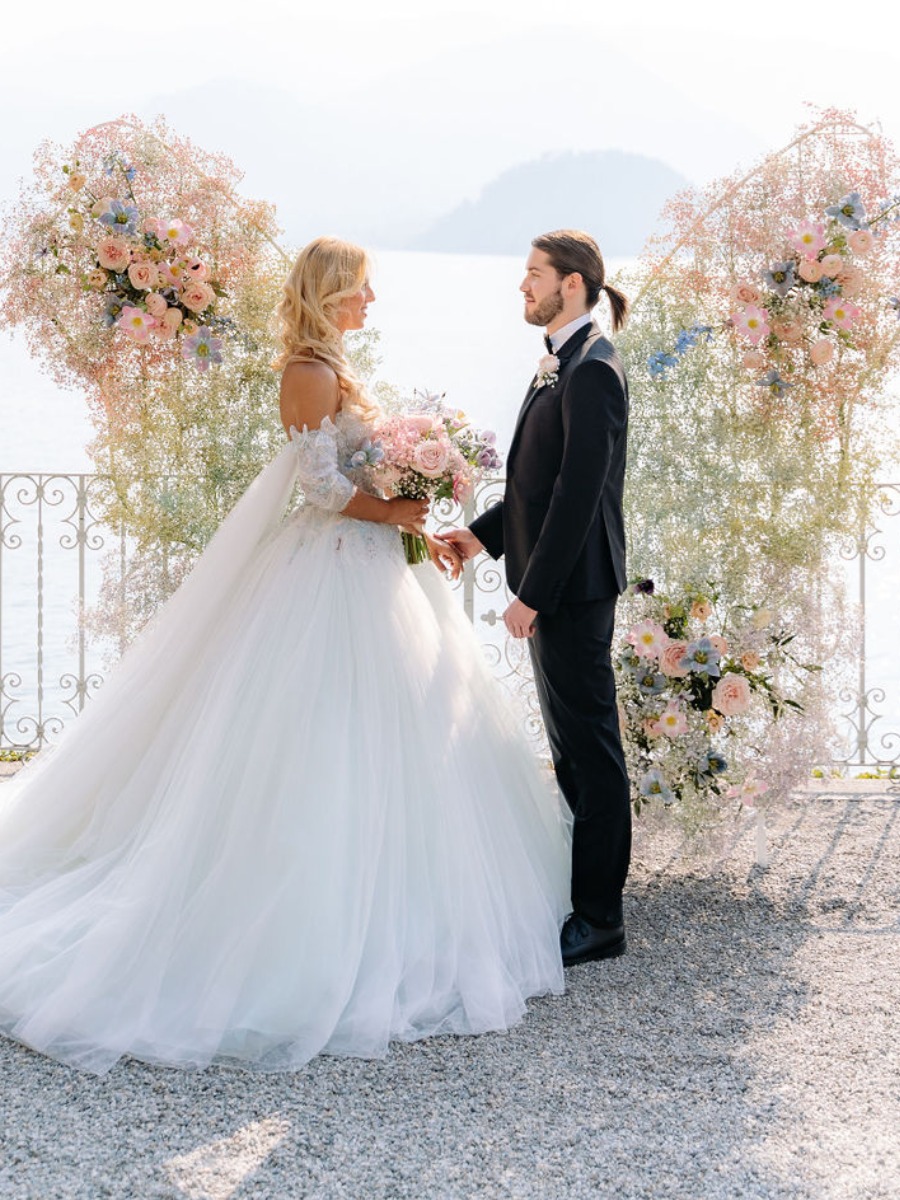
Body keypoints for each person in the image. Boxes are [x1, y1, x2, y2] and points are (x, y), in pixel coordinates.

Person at [0, 236, 570, 1076]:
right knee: (318, 734)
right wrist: (397, 512)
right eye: (363, 290)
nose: (372, 303)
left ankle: (402, 905)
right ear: (333, 291)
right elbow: (322, 492)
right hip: (328, 578)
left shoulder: (333, 363)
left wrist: (408, 491)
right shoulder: (306, 370)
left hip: (372, 576)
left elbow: (351, 475)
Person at [439, 230, 632, 966]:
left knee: (592, 751)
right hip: (560, 588)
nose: (523, 286)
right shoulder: (562, 361)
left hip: (574, 593)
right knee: (572, 755)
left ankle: (600, 919)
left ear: (574, 284)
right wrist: (480, 538)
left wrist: (534, 595)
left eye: (534, 275)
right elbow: (537, 485)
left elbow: (579, 498)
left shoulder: (592, 370)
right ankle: (584, 898)